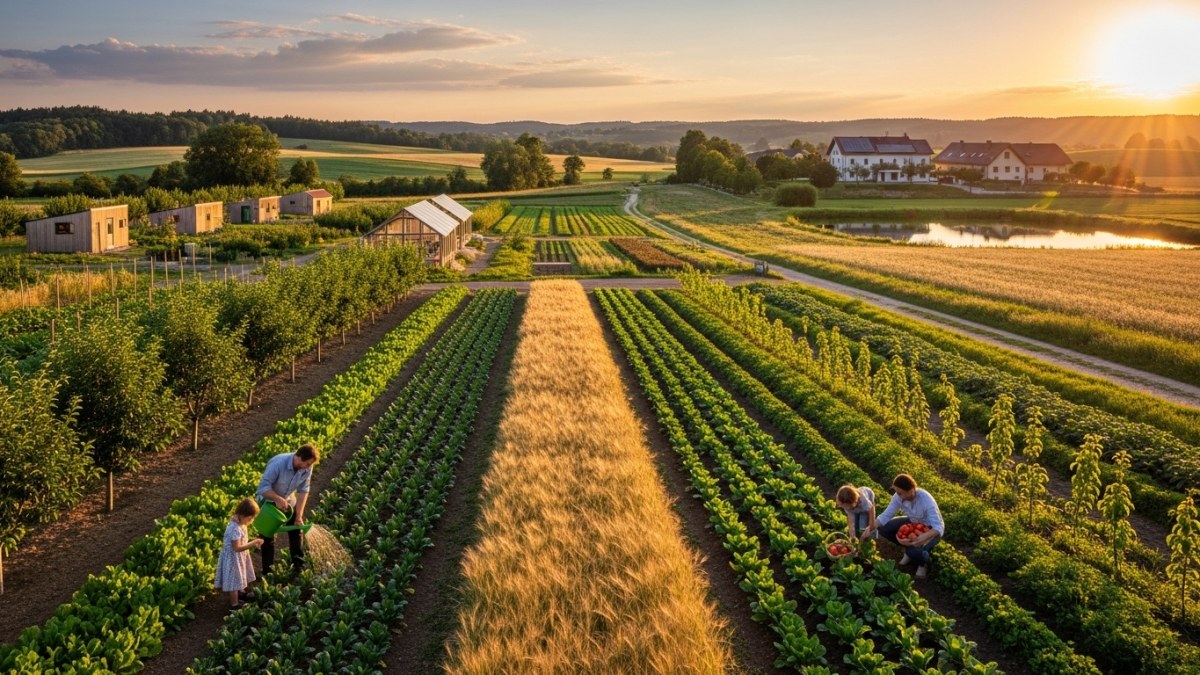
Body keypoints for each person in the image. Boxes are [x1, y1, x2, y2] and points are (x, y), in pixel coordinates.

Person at [257, 443, 319, 576]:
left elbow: (303, 490)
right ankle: (268, 572)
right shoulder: (278, 463)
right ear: (299, 457)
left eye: (310, 465)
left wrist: (299, 515)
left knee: (296, 528)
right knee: (267, 536)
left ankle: (298, 565)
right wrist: (277, 499)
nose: (308, 467)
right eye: (307, 464)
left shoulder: (307, 467)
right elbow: (262, 488)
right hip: (268, 502)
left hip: (288, 500)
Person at [876, 474, 944, 579]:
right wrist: (870, 528)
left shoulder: (926, 500)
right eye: (896, 492)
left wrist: (923, 537)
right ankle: (909, 549)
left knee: (914, 550)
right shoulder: (898, 497)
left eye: (900, 493)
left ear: (911, 489)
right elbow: (886, 515)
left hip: (930, 528)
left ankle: (922, 564)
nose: (898, 495)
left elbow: (938, 526)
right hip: (913, 522)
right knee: (885, 528)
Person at [215, 497, 264, 610]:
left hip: (239, 557)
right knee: (233, 582)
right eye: (250, 518)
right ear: (242, 515)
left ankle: (240, 593)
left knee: (240, 576)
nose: (251, 521)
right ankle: (234, 605)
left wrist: (252, 542)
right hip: (233, 559)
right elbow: (237, 548)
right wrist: (253, 543)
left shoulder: (241, 524)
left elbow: (242, 541)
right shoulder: (234, 528)